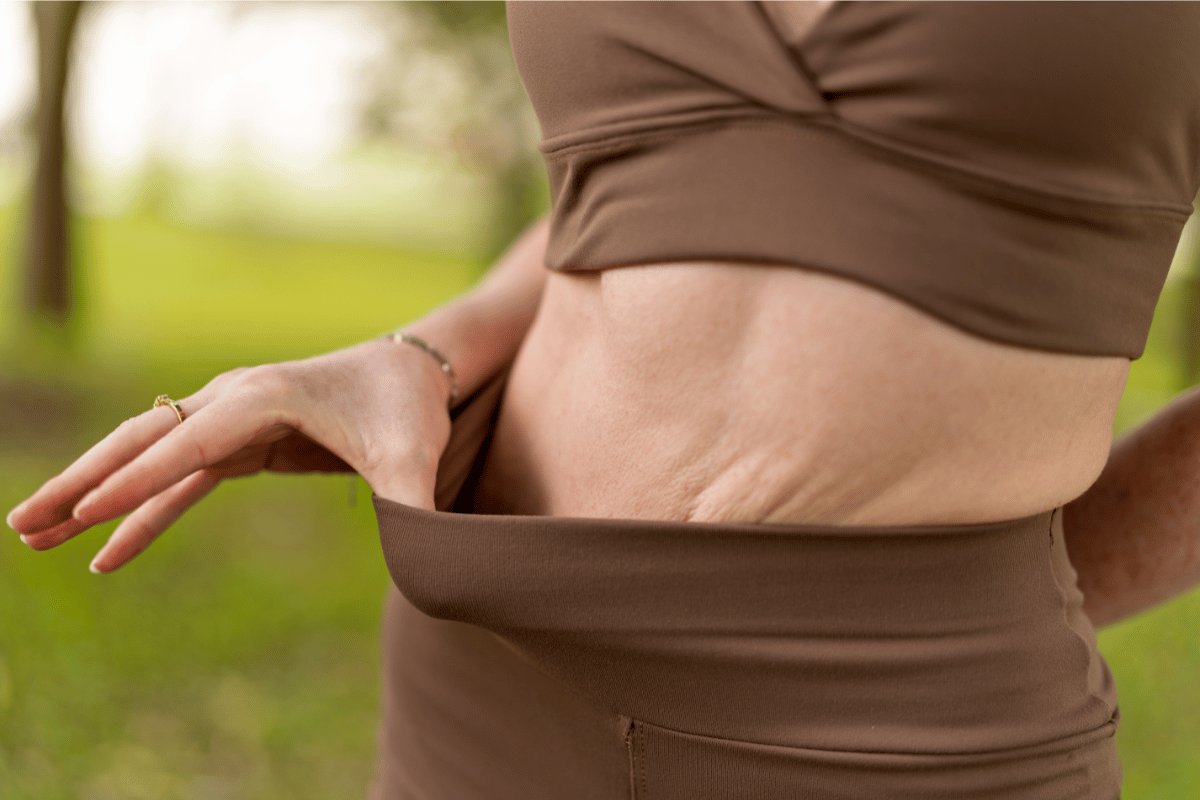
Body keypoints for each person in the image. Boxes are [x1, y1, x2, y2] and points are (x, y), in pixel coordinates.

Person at [9, 2, 1200, 797]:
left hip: (910, 729)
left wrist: (949, 613)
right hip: (488, 649)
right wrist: (425, 353)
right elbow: (644, 182)